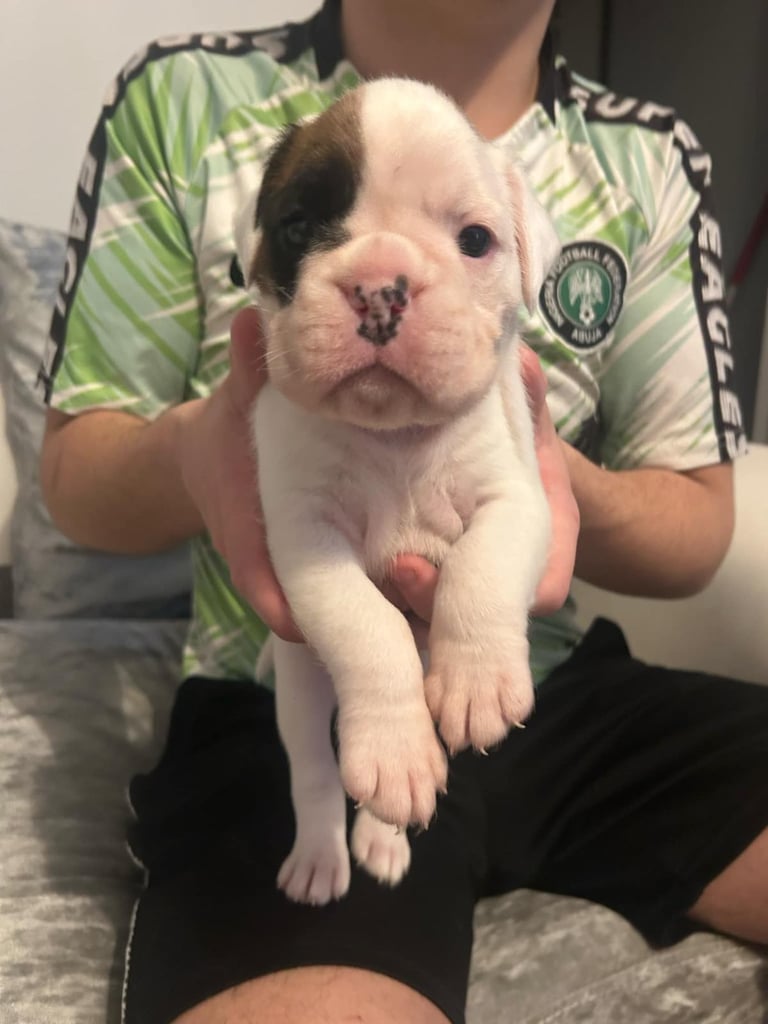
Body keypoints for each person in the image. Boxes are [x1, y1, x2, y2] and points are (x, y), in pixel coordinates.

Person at [38, 1, 766, 1022]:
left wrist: (547, 479)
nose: (384, 287)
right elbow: (70, 473)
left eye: (468, 239)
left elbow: (697, 521)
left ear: (522, 257)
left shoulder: (648, 158)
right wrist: (199, 453)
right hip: (286, 695)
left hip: (548, 686)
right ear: (261, 261)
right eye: (311, 227)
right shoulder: (185, 101)